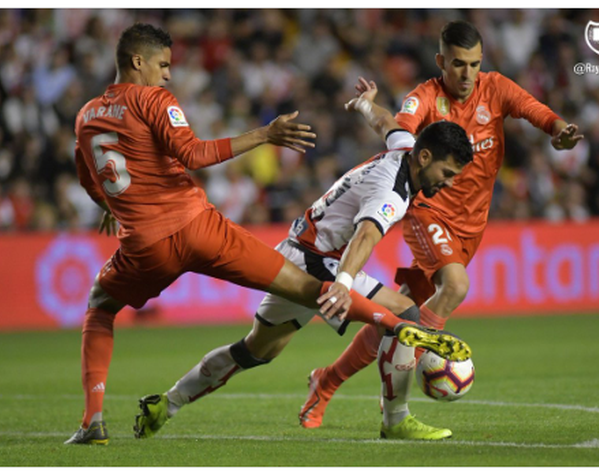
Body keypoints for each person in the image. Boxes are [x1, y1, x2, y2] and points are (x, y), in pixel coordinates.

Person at [64, 22, 460, 446]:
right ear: (137, 61)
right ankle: (395, 397)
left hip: (146, 245)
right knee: (389, 309)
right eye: (162, 65)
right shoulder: (154, 99)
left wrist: (365, 106)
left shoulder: (86, 115)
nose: (167, 74)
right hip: (217, 233)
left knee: (116, 311)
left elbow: (90, 177)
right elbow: (194, 154)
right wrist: (265, 135)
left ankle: (108, 418)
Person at [133, 79, 473, 441]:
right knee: (403, 316)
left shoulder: (406, 148)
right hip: (312, 262)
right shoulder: (391, 189)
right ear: (424, 157)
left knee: (256, 350)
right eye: (447, 174)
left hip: (313, 253)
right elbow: (366, 235)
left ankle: (166, 404)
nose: (449, 183)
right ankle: (396, 420)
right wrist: (343, 285)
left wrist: (363, 104)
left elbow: (385, 122)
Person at [299, 19, 584, 429]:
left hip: (472, 227)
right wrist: (370, 109)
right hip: (428, 214)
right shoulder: (425, 97)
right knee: (455, 286)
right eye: (457, 64)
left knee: (397, 320)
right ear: (440, 61)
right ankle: (395, 409)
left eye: (473, 64)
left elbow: (534, 110)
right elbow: (399, 129)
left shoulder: (497, 88)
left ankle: (325, 382)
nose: (466, 74)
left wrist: (559, 130)